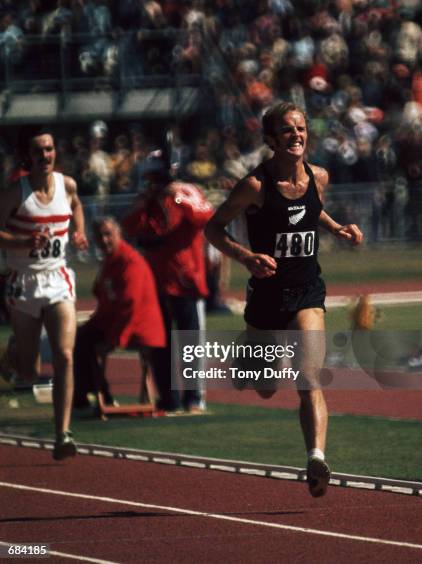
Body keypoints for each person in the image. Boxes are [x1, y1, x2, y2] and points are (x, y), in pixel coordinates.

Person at [205, 101, 363, 497]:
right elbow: (214, 229)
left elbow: (313, 212)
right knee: (263, 386)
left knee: (309, 377)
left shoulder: (319, 177)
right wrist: (246, 257)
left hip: (307, 289)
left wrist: (338, 228)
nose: (296, 136)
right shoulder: (255, 187)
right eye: (287, 131)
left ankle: (316, 457)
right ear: (272, 140)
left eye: (301, 129)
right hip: (267, 296)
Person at [0, 129, 88, 460]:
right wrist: (21, 243)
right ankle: (12, 355)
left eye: (49, 149)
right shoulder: (15, 192)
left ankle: (62, 433)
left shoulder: (67, 185)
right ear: (28, 155)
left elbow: (76, 206)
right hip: (24, 281)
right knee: (29, 373)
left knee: (65, 355)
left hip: (58, 278)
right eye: (39, 151)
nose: (45, 156)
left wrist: (78, 230)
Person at [122, 152, 214, 412]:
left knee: (191, 341)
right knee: (159, 343)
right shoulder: (148, 201)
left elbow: (205, 215)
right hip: (156, 282)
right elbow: (130, 226)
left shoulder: (185, 192)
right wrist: (145, 201)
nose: (152, 184)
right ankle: (168, 398)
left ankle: (194, 397)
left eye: (155, 179)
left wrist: (179, 196)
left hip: (186, 281)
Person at [72, 216, 165, 410]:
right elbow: (104, 296)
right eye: (99, 236)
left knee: (86, 341)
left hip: (140, 328)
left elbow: (131, 306)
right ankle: (94, 393)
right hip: (117, 323)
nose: (104, 240)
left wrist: (116, 339)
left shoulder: (130, 262)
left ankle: (93, 394)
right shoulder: (110, 262)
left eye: (108, 234)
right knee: (79, 337)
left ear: (119, 234)